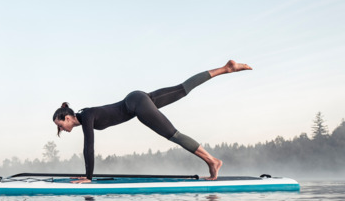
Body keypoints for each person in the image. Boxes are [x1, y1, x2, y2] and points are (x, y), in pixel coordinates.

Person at [52, 60, 252, 181]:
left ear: (68, 117)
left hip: (136, 105)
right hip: (137, 98)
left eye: (61, 125)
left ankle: (213, 161)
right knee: (182, 89)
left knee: (173, 135)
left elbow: (89, 147)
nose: (63, 130)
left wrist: (88, 177)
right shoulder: (86, 113)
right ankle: (226, 68)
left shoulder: (85, 116)